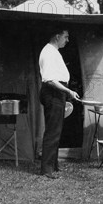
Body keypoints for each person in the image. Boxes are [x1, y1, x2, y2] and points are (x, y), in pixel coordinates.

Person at [38, 30, 80, 179]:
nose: (67, 40)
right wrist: (68, 91)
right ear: (57, 36)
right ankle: (46, 169)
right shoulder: (48, 52)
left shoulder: (54, 51)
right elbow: (49, 80)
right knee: (52, 131)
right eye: (65, 37)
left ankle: (53, 165)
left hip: (57, 92)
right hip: (53, 92)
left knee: (56, 130)